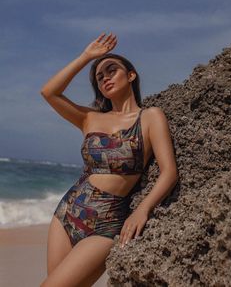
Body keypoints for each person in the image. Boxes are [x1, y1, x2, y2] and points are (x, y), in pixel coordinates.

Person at [40, 32, 178, 287]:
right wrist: (86, 57)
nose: (105, 78)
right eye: (99, 77)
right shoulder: (90, 118)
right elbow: (49, 92)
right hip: (67, 213)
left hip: (107, 222)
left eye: (111, 70)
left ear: (131, 75)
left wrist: (141, 211)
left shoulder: (150, 117)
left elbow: (169, 172)